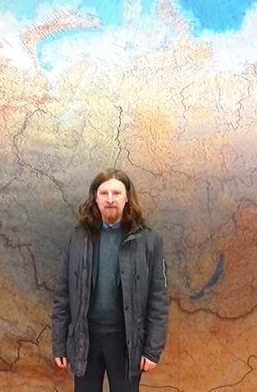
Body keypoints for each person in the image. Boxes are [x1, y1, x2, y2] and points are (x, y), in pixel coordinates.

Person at [51, 168, 169, 392]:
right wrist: (59, 344)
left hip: (126, 343)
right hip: (86, 340)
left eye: (116, 193)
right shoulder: (78, 238)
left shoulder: (149, 241)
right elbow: (63, 294)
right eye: (104, 193)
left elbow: (158, 300)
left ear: (127, 197)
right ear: (95, 198)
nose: (110, 199)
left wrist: (152, 350)